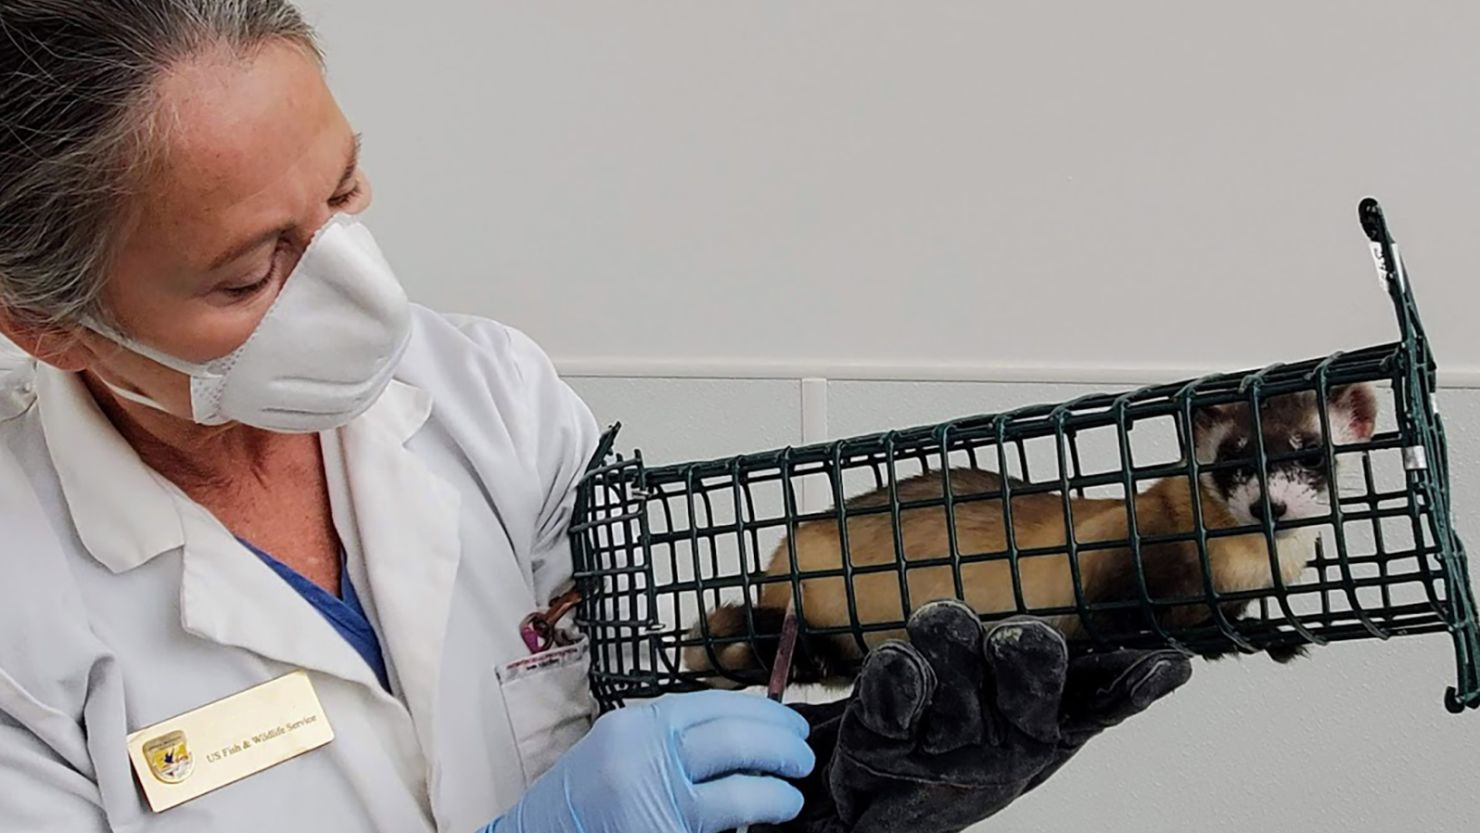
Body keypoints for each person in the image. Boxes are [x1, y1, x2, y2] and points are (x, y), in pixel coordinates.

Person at [0, 2, 1193, 832]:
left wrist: (840, 794)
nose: (354, 290)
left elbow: (670, 740)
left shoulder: (488, 401)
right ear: (45, 327)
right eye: (251, 272)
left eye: (344, 191)